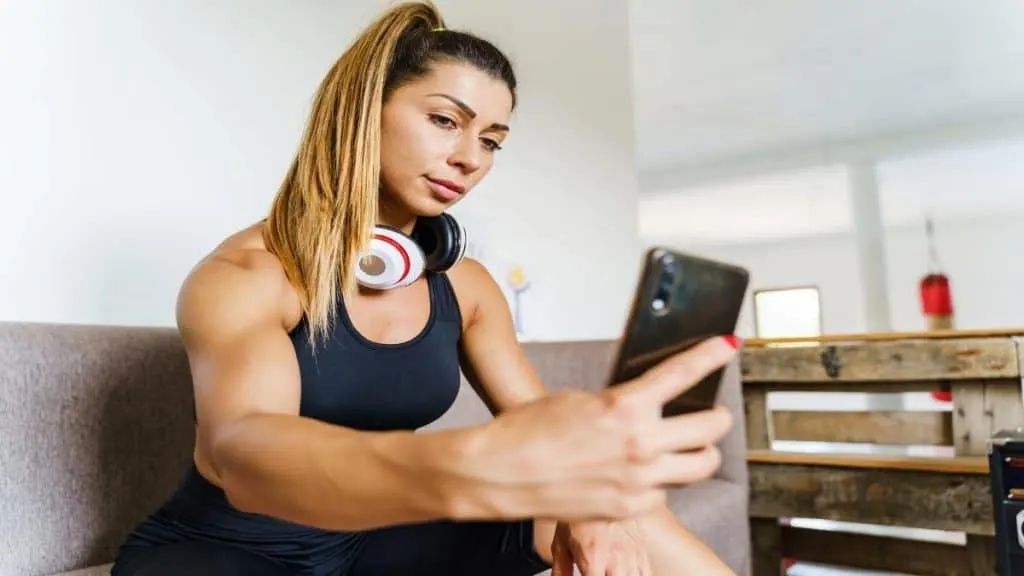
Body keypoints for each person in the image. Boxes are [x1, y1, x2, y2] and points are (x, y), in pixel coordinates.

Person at [110, 2, 740, 575]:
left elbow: (535, 419)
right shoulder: (245, 275)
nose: (471, 157)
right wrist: (472, 468)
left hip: (374, 541)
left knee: (619, 507)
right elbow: (241, 455)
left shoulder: (465, 288)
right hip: (229, 551)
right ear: (364, 113)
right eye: (445, 120)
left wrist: (592, 491)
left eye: (491, 141)